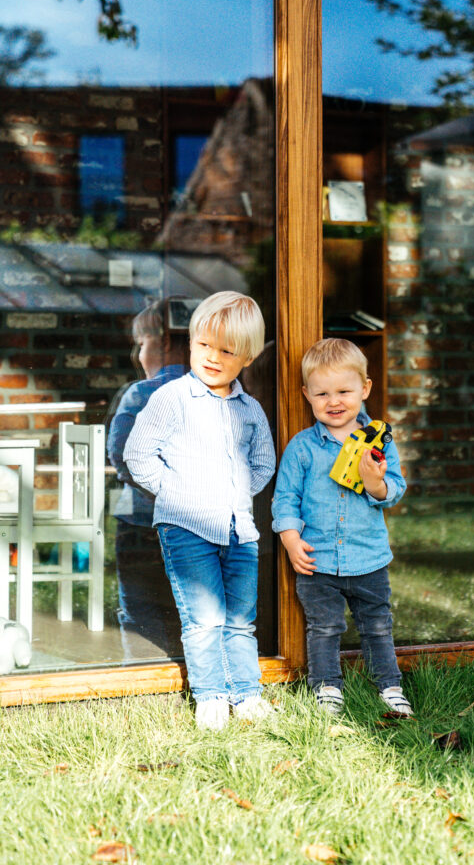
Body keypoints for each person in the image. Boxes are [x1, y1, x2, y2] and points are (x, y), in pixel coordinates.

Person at [123, 291, 276, 729]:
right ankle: (211, 695)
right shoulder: (172, 399)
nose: (212, 357)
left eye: (226, 350)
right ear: (191, 342)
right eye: (204, 345)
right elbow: (139, 453)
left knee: (240, 619)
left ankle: (245, 693)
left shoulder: (250, 410)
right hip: (186, 526)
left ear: (245, 357)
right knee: (205, 617)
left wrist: (237, 493)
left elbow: (263, 461)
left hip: (238, 529)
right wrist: (175, 492)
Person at [271, 337, 412, 716]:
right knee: (325, 627)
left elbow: (393, 490)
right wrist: (290, 539)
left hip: (368, 558)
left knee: (378, 626)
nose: (334, 402)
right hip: (318, 561)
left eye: (344, 391)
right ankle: (327, 687)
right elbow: (285, 497)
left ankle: (389, 685)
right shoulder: (302, 448)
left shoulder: (378, 443)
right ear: (306, 395)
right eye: (322, 394)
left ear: (365, 389)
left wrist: (374, 481)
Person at [106, 299, 188, 660]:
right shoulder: (207, 395)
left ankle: (141, 666)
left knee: (140, 603)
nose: (138, 354)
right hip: (190, 518)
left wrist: (156, 486)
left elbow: (120, 454)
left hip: (139, 519)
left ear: (165, 342)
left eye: (142, 344)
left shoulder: (140, 393)